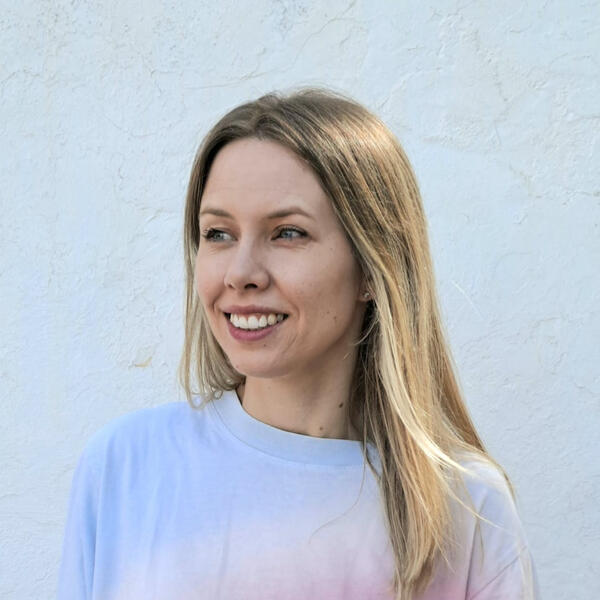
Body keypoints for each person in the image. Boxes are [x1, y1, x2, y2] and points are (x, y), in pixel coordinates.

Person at [57, 88, 540, 600]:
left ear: (372, 268)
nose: (240, 273)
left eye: (287, 233)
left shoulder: (467, 508)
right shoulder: (124, 469)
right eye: (218, 234)